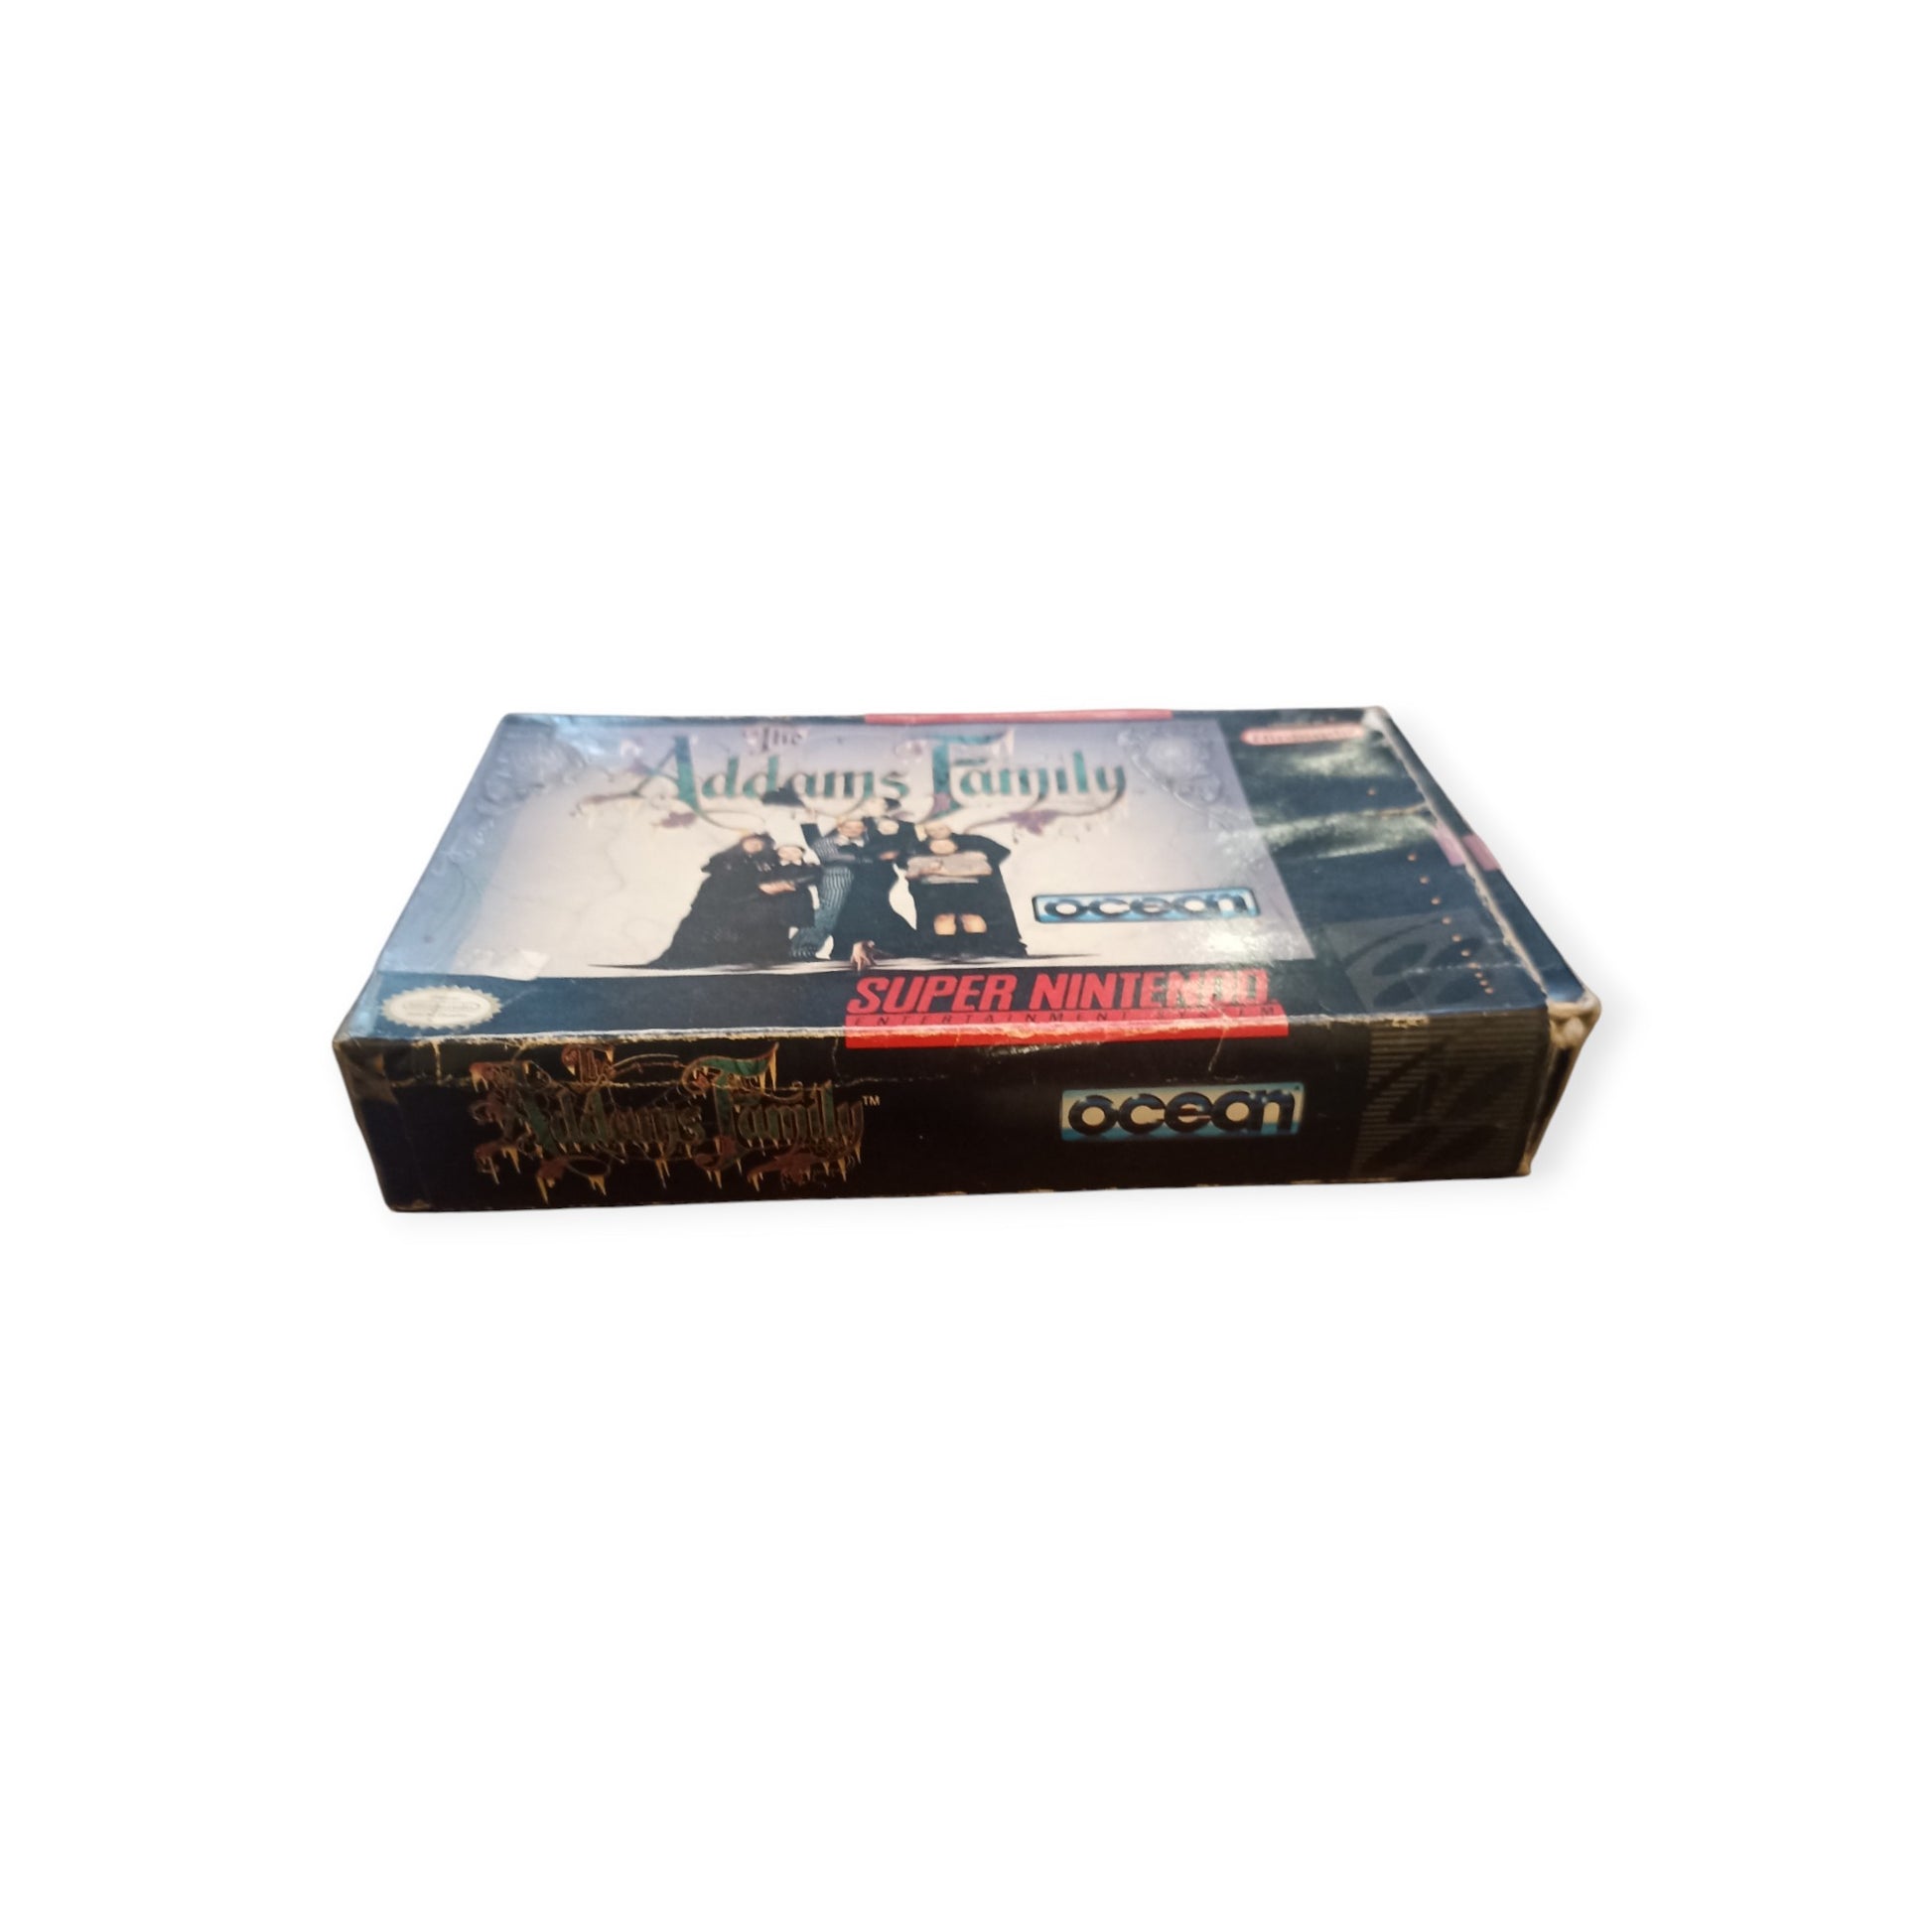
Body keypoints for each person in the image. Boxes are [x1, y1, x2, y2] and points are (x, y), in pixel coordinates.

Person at [649, 834, 811, 968]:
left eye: (759, 844)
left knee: (767, 916)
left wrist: (783, 885)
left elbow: (800, 874)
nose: (755, 845)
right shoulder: (727, 861)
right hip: (719, 906)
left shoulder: (767, 864)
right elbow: (722, 892)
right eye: (751, 841)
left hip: (752, 908)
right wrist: (759, 890)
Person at [793, 815, 917, 965]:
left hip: (867, 882)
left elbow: (900, 845)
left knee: (869, 912)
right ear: (839, 828)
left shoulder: (868, 840)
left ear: (864, 828)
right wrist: (809, 823)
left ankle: (873, 949)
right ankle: (801, 950)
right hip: (837, 879)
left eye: (857, 827)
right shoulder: (831, 842)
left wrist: (902, 824)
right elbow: (826, 852)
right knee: (830, 911)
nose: (853, 830)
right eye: (848, 827)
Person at [904, 826, 1027, 956]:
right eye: (937, 845)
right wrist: (925, 871)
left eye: (946, 844)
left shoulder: (971, 856)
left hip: (968, 890)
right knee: (943, 918)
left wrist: (947, 873)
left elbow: (985, 870)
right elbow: (910, 874)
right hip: (938, 892)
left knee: (971, 917)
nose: (942, 848)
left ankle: (976, 947)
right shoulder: (920, 859)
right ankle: (945, 948)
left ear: (955, 845)